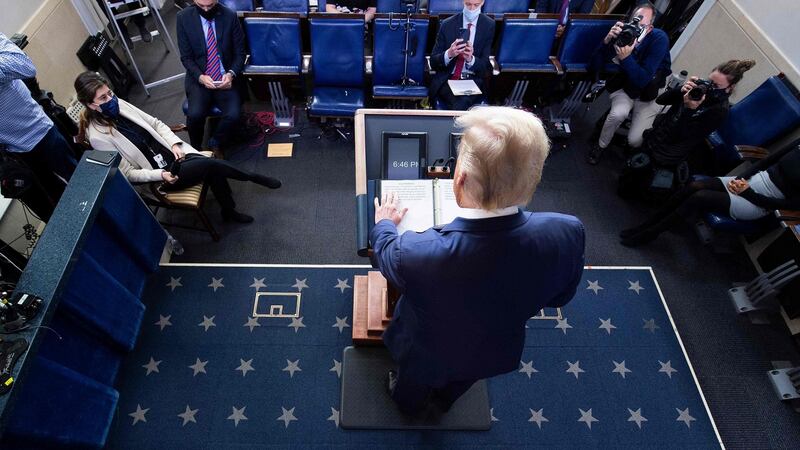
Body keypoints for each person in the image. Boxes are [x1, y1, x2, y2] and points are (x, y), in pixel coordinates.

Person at [371, 107, 585, 415]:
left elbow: (386, 252)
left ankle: (407, 404)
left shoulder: (418, 252)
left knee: (412, 385)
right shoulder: (567, 232)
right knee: (461, 382)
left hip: (426, 350)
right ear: (533, 178)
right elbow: (560, 296)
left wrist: (384, 223)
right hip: (492, 349)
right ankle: (443, 404)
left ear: (459, 177)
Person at [75, 71, 280, 224]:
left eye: (109, 93)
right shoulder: (98, 137)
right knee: (210, 165)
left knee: (210, 165)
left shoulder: (120, 103)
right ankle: (249, 180)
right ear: (90, 104)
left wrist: (174, 143)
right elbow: (128, 174)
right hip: (163, 177)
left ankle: (229, 210)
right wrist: (159, 175)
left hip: (175, 153)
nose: (111, 100)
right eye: (103, 98)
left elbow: (155, 123)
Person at [617, 60, 756, 198]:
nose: (710, 87)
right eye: (710, 81)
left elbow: (683, 135)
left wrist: (688, 110)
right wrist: (681, 89)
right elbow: (661, 100)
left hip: (671, 149)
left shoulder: (719, 110)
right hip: (659, 134)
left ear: (729, 88)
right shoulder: (697, 89)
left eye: (716, 85)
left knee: (636, 189)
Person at [620, 143, 800, 247]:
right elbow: (768, 161)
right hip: (748, 182)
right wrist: (740, 179)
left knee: (701, 197)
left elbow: (791, 206)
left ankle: (651, 233)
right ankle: (647, 223)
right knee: (694, 186)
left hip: (758, 203)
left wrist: (748, 193)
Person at [0, 33, 77, 221]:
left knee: (82, 181)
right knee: (55, 208)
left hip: (40, 131)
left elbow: (26, 67)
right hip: (12, 153)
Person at [586, 2, 671, 165]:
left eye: (643, 25)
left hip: (649, 93)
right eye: (635, 23)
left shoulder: (659, 39)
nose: (637, 28)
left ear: (650, 27)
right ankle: (600, 145)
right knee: (618, 114)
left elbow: (643, 79)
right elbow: (594, 67)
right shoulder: (622, 34)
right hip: (625, 87)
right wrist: (606, 41)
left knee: (634, 140)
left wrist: (626, 58)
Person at [176, 0, 246, 154]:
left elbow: (240, 53)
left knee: (234, 115)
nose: (206, 10)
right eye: (202, 6)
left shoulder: (229, 16)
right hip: (200, 78)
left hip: (225, 77)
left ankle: (215, 141)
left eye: (210, 6)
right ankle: (195, 149)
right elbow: (186, 58)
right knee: (194, 115)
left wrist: (231, 74)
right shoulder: (183, 18)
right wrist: (200, 77)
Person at [429, 0, 495, 111]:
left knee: (463, 101)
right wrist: (449, 54)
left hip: (473, 80)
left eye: (476, 5)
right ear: (463, 2)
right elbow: (433, 62)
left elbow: (485, 66)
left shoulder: (488, 25)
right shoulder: (447, 24)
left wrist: (471, 59)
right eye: (468, 4)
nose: (472, 9)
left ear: (482, 3)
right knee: (462, 102)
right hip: (449, 79)